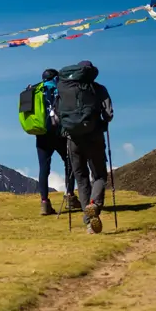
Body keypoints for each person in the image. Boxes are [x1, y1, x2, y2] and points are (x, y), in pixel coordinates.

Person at [57, 60, 114, 234]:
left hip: (73, 139)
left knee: (81, 178)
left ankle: (89, 222)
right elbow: (109, 115)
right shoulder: (99, 89)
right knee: (99, 176)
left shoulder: (64, 89)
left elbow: (58, 113)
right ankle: (94, 204)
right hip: (94, 136)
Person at [36, 68, 80, 216]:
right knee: (69, 162)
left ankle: (44, 203)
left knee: (44, 168)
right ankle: (70, 197)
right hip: (59, 133)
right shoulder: (60, 90)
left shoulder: (37, 91)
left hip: (41, 134)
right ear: (56, 78)